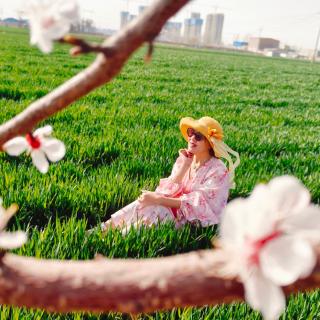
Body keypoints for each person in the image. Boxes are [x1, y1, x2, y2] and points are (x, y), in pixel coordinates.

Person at [100, 116, 240, 233]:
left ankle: (119, 237)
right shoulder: (186, 159)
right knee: (144, 203)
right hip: (172, 210)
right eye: (191, 133)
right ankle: (102, 230)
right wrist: (185, 165)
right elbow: (166, 191)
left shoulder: (218, 171)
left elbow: (199, 205)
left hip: (192, 222)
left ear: (210, 144)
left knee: (158, 207)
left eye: (198, 136)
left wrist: (158, 200)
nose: (191, 138)